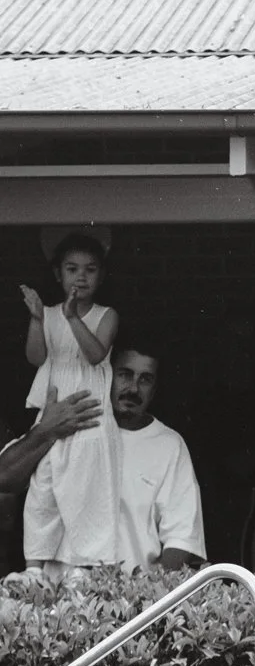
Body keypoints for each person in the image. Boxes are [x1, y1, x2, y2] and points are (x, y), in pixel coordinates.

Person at [26, 339, 205, 571]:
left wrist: (151, 588)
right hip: (62, 588)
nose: (133, 388)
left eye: (145, 379)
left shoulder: (170, 445)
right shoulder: (71, 424)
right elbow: (22, 490)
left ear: (155, 390)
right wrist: (44, 432)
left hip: (134, 590)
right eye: (125, 375)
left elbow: (182, 537)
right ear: (107, 376)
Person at [19, 231, 123, 567]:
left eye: (90, 269)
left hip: (88, 417)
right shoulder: (49, 314)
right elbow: (36, 358)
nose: (81, 276)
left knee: (84, 493)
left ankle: (83, 567)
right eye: (72, 269)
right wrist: (38, 318)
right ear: (58, 274)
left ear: (101, 275)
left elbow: (95, 354)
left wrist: (73, 316)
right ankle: (36, 567)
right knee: (43, 490)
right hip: (53, 416)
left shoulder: (106, 315)